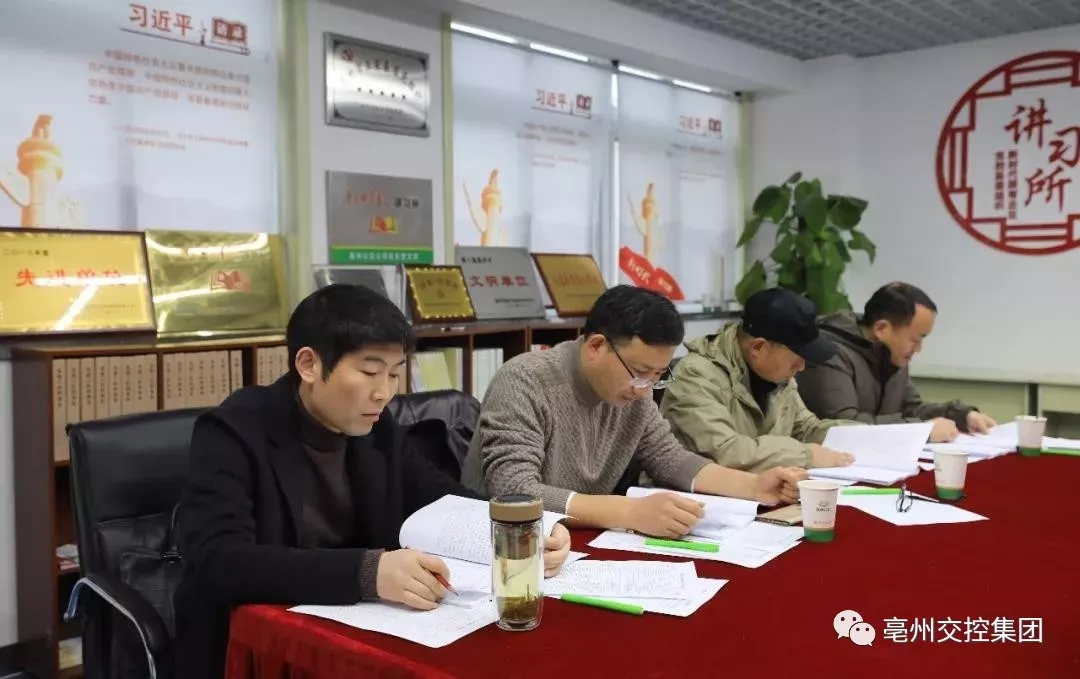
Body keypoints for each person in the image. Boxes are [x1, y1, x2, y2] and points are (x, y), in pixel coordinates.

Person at [172, 284, 572, 679]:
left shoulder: (376, 429)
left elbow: (437, 495)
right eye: (369, 372)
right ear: (309, 365)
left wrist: (518, 529)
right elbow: (217, 560)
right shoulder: (233, 431)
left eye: (395, 374)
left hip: (353, 632)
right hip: (256, 649)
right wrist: (367, 573)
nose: (384, 393)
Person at [460, 285, 806, 540]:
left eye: (658, 375)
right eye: (641, 372)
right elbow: (515, 491)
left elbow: (670, 459)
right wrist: (630, 512)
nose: (645, 388)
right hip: (504, 544)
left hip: (577, 538)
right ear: (596, 346)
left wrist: (754, 486)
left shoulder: (635, 391)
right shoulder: (525, 381)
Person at [659, 288, 856, 473]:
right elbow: (726, 452)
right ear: (758, 348)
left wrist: (864, 436)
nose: (802, 367)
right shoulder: (696, 375)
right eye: (797, 356)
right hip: (698, 494)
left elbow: (805, 429)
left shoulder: (777, 375)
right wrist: (805, 456)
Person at [796, 282, 995, 443]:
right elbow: (845, 426)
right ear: (882, 329)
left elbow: (911, 408)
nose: (918, 349)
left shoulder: (891, 353)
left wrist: (959, 415)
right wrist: (920, 431)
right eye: (915, 339)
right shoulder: (829, 353)